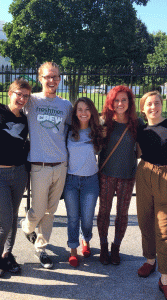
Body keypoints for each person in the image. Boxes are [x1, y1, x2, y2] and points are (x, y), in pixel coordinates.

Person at [20, 61, 73, 269]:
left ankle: (41, 248)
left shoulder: (66, 105)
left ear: (59, 79)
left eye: (55, 76)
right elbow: (11, 108)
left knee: (51, 211)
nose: (51, 80)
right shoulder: (31, 101)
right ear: (40, 79)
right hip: (39, 165)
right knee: (38, 210)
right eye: (47, 77)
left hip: (61, 164)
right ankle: (26, 226)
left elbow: (75, 128)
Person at [0, 78, 31, 277]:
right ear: (10, 93)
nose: (21, 98)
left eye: (26, 96)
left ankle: (7, 254)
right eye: (18, 94)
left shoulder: (25, 119)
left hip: (19, 172)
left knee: (13, 217)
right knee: (5, 219)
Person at [136, 91, 167, 300]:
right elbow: (135, 151)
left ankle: (166, 280)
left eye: (157, 103)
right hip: (144, 173)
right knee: (145, 221)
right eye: (149, 104)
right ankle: (150, 260)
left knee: (164, 229)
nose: (153, 107)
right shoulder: (140, 129)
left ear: (162, 104)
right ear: (143, 109)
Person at [97, 85, 143, 265]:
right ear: (111, 102)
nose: (120, 103)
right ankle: (103, 246)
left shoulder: (137, 123)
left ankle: (116, 247)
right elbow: (96, 147)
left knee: (122, 214)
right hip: (107, 174)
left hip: (127, 174)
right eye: (116, 100)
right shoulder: (104, 122)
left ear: (129, 102)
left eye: (124, 100)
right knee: (104, 212)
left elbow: (139, 151)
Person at [63, 97, 103, 267]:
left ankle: (86, 240)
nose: (83, 113)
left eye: (87, 109)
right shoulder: (68, 131)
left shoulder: (98, 131)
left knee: (87, 217)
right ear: (75, 112)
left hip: (90, 180)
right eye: (80, 109)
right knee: (73, 217)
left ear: (92, 112)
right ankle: (73, 249)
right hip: (71, 180)